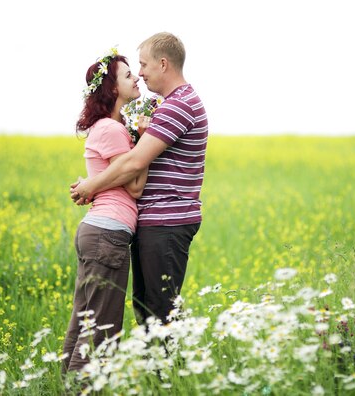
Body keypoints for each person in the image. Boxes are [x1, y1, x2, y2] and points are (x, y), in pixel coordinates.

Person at [70, 32, 208, 326]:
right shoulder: (169, 104)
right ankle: (156, 372)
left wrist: (90, 187)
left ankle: (167, 372)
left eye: (143, 65)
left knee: (159, 312)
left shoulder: (178, 105)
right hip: (155, 222)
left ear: (162, 64)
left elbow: (134, 162)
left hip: (167, 221)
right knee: (147, 311)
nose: (141, 73)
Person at [62, 48, 149, 373]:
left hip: (98, 233)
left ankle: (68, 387)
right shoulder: (112, 130)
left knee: (83, 323)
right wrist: (143, 137)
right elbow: (135, 187)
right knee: (101, 331)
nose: (137, 76)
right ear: (112, 89)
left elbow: (110, 178)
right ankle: (82, 389)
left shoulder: (106, 127)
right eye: (128, 75)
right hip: (108, 235)